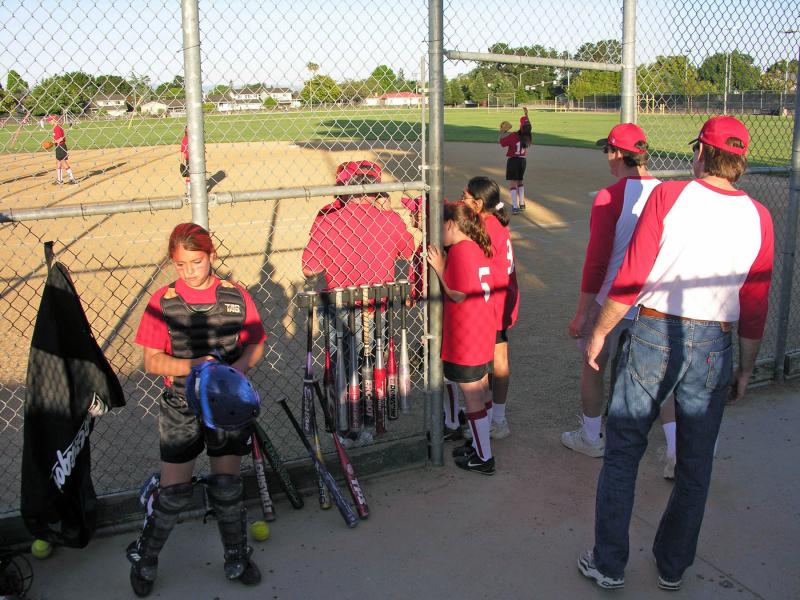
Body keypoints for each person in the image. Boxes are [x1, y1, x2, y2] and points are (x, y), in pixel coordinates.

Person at [578, 116, 774, 591]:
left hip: (653, 331)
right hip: (715, 342)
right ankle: (671, 565)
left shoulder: (670, 195)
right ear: (740, 161)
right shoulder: (759, 215)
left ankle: (609, 563)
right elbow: (754, 302)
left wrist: (600, 331)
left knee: (623, 449)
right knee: (695, 460)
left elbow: (631, 276)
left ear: (702, 153)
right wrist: (746, 367)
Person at [128, 223, 266, 596]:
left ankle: (236, 554)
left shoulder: (235, 297)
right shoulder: (163, 300)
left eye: (196, 261)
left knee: (227, 485)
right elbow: (153, 361)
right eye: (180, 264)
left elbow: (256, 343)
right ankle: (146, 557)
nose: (189, 270)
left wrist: (235, 372)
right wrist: (198, 366)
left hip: (227, 408)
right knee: (174, 493)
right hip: (181, 404)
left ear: (211, 256)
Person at [563, 123, 677, 479]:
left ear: (618, 154)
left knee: (593, 361)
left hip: (613, 299)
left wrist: (583, 312)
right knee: (660, 377)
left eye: (607, 151)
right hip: (655, 301)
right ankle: (676, 450)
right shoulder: (668, 192)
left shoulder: (609, 196)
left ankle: (591, 436)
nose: (607, 159)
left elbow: (597, 261)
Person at [427, 201, 497, 475]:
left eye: (439, 227)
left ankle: (484, 457)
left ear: (451, 225)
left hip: (466, 337)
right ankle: (482, 444)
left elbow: (456, 293)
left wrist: (441, 268)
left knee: (472, 397)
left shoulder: (459, 252)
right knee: (481, 389)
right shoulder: (477, 246)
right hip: (482, 331)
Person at [460, 176, 519, 440]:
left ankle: (487, 422)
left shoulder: (484, 228)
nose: (462, 199)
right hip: (506, 298)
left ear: (479, 202)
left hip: (490, 303)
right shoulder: (496, 220)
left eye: (466, 196)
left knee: (486, 364)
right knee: (499, 359)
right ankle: (498, 418)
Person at [302, 160, 416, 290]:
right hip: (379, 303)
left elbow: (310, 269)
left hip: (339, 301)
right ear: (378, 189)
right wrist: (388, 212)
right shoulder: (391, 219)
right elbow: (406, 252)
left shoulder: (327, 217)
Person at [498, 106, 532, 214]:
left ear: (520, 126)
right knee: (520, 182)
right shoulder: (528, 137)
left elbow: (502, 142)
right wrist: (526, 115)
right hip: (523, 161)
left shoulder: (513, 136)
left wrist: (502, 131)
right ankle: (522, 204)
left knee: (513, 184)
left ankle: (515, 206)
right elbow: (527, 126)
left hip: (513, 161)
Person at [49, 115, 78, 185]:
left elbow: (61, 138)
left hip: (61, 146)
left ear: (54, 120)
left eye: (50, 120)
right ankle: (60, 180)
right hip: (59, 147)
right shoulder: (57, 127)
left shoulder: (57, 128)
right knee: (58, 162)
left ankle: (72, 178)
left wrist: (53, 142)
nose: (49, 122)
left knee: (63, 162)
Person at [180, 127, 190, 197]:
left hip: (188, 160)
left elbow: (183, 153)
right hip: (196, 159)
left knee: (189, 176)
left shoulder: (184, 140)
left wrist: (182, 162)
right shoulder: (195, 138)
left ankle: (189, 192)